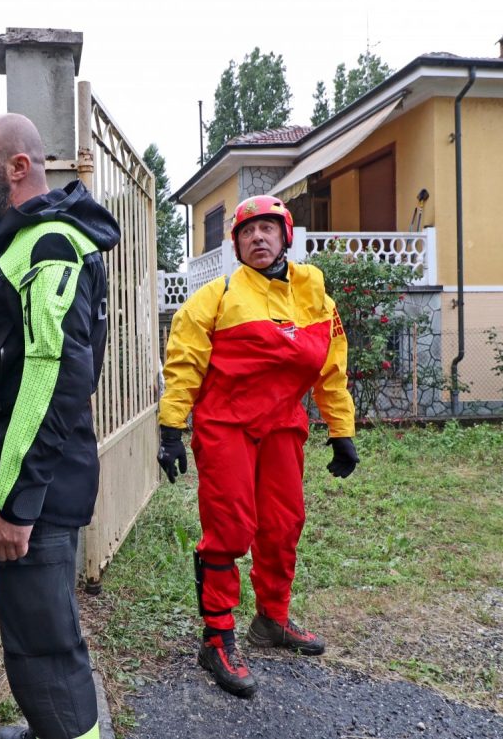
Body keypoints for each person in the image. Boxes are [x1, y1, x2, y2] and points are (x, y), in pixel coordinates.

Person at [0, 114, 120, 739]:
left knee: (43, 649)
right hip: (32, 485)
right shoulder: (31, 242)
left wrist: (19, 503)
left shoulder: (49, 246)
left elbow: (53, 377)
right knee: (35, 637)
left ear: (17, 167)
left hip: (35, 495)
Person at [157, 194, 358, 699]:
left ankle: (272, 619)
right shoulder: (218, 296)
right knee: (229, 529)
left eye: (267, 228)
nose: (257, 237)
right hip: (226, 425)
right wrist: (171, 428)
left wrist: (342, 431)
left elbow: (331, 369)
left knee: (284, 524)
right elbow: (184, 362)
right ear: (237, 245)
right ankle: (216, 637)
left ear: (285, 235)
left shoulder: (317, 297)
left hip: (283, 426)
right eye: (247, 232)